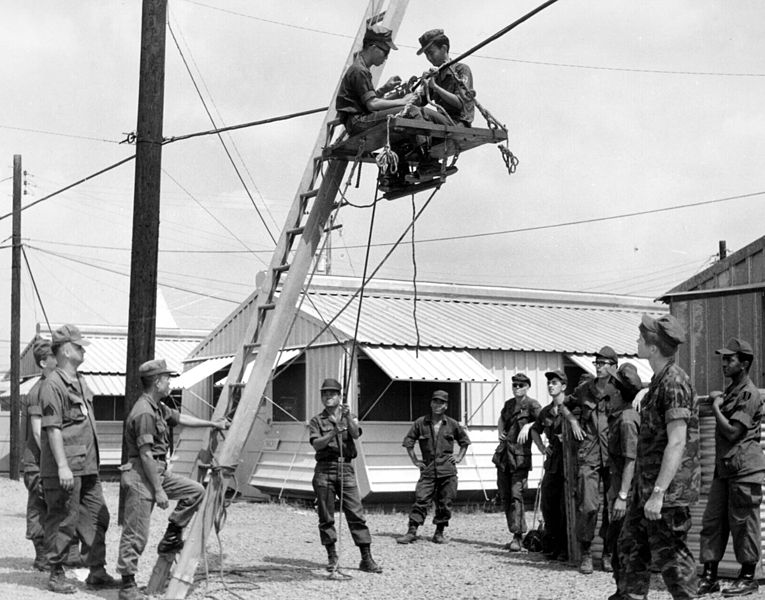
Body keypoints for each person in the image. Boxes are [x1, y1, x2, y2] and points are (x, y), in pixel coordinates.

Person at [116, 359, 230, 600]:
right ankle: (127, 585)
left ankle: (171, 534)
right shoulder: (144, 412)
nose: (169, 382)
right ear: (157, 382)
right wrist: (158, 490)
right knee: (136, 532)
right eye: (167, 378)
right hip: (141, 474)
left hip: (157, 471)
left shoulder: (157, 407)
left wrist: (212, 423)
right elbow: (146, 454)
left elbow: (180, 419)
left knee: (195, 491)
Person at [616, 314, 700, 600]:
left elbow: (677, 442)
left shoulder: (674, 382)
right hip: (646, 489)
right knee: (630, 550)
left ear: (653, 347)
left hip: (666, 493)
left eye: (641, 338)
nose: (637, 341)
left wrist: (659, 493)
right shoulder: (659, 381)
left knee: (673, 562)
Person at [39, 324, 117, 594]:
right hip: (67, 468)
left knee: (98, 517)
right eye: (79, 346)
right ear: (66, 350)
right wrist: (61, 466)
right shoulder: (53, 385)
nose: (83, 349)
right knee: (64, 520)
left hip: (87, 466)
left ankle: (97, 571)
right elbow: (53, 429)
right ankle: (56, 573)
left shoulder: (80, 382)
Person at [698, 338, 765, 598]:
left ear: (745, 363)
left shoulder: (749, 393)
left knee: (743, 524)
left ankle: (748, 578)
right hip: (725, 469)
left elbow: (733, 431)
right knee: (712, 522)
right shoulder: (733, 391)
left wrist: (716, 405)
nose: (724, 364)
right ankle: (709, 577)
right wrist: (721, 398)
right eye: (723, 359)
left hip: (743, 469)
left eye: (730, 359)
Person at [308, 378, 382, 573]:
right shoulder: (316, 420)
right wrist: (333, 433)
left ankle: (366, 558)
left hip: (346, 469)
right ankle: (332, 557)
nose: (328, 397)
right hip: (324, 470)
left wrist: (348, 419)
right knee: (326, 516)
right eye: (325, 394)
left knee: (356, 514)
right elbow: (316, 444)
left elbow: (356, 434)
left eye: (332, 394)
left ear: (340, 396)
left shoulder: (350, 416)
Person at [559, 345, 618, 574]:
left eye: (603, 363)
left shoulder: (620, 390)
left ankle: (607, 553)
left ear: (614, 366)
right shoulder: (585, 389)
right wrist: (573, 422)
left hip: (614, 455)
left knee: (613, 507)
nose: (599, 367)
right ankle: (585, 552)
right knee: (588, 505)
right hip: (590, 453)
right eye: (597, 363)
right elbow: (563, 404)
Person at [396, 390, 471, 545]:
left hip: (447, 470)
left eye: (441, 402)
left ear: (446, 406)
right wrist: (416, 461)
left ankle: (439, 532)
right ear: (431, 403)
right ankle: (412, 531)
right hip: (429, 469)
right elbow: (409, 442)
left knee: (445, 502)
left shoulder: (452, 424)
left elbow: (464, 442)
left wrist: (458, 457)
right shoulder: (421, 423)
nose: (438, 405)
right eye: (435, 401)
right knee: (421, 499)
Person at [335, 24, 418, 136]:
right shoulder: (360, 70)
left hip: (355, 121)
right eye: (386, 52)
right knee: (411, 111)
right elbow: (372, 104)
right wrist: (403, 101)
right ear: (373, 47)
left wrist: (385, 89)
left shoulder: (360, 68)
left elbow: (367, 100)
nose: (386, 57)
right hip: (358, 121)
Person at [604, 363, 642, 597]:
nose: (606, 387)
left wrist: (622, 497)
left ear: (617, 391)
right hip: (618, 490)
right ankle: (621, 591)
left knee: (624, 544)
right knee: (616, 542)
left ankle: (628, 593)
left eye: (611, 383)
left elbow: (631, 460)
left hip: (626, 495)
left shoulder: (627, 420)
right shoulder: (619, 415)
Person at [22, 337, 57, 571]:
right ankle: (42, 555)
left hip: (45, 462)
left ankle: (48, 555)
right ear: (44, 363)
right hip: (38, 464)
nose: (58, 360)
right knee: (39, 506)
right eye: (54, 356)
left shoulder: (53, 387)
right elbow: (37, 433)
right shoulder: (38, 391)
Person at [495, 373, 541, 551]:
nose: (517, 388)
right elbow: (501, 419)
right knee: (506, 495)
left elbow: (542, 420)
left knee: (516, 495)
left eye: (521, 385)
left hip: (520, 457)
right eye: (515, 385)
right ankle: (514, 532)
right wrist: (500, 432)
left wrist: (529, 426)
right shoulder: (509, 404)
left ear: (528, 387)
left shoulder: (532, 404)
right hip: (505, 455)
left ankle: (518, 536)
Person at [530, 369, 569, 561]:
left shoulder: (572, 408)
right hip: (553, 464)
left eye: (554, 382)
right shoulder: (546, 411)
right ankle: (552, 544)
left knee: (565, 507)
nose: (550, 385)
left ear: (564, 386)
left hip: (570, 464)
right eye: (549, 383)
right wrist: (541, 448)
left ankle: (565, 547)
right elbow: (535, 430)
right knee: (549, 505)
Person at [415, 28, 475, 127]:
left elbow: (460, 103)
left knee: (423, 113)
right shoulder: (435, 76)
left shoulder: (461, 69)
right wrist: (420, 86)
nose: (429, 58)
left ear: (444, 48)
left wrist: (436, 88)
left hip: (458, 123)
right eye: (426, 55)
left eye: (431, 53)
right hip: (442, 121)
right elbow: (418, 103)